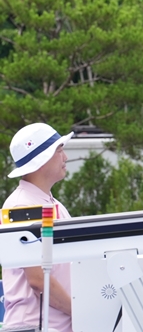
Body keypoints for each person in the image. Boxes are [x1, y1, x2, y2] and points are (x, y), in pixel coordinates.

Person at [1, 123, 74, 332]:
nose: (65, 157)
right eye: (59, 150)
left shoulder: (50, 204)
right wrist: (79, 310)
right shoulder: (21, 206)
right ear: (41, 160)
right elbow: (37, 279)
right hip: (36, 327)